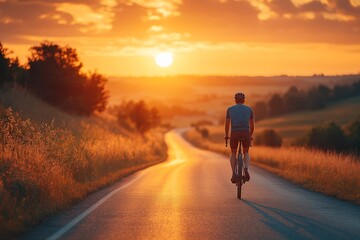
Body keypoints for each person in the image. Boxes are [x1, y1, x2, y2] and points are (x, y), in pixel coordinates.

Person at [225, 92, 254, 183]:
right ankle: (246, 169)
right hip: (245, 133)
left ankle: (234, 173)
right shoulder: (249, 109)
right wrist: (250, 135)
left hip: (234, 133)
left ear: (235, 100)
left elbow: (227, 125)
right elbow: (252, 126)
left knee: (233, 153)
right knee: (246, 152)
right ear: (244, 100)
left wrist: (227, 135)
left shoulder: (229, 109)